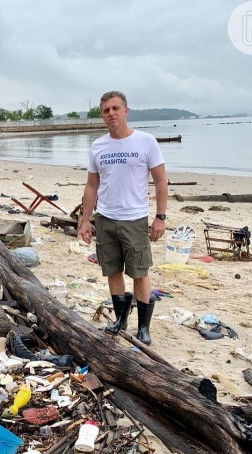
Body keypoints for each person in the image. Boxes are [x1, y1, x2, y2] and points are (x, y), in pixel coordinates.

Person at [78, 91, 168, 345]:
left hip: (135, 219)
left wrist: (160, 217)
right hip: (105, 218)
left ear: (126, 111)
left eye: (116, 108)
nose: (111, 114)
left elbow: (161, 181)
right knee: (112, 270)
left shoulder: (146, 141)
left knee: (139, 272)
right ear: (102, 115)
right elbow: (91, 186)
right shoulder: (98, 146)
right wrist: (85, 220)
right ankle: (120, 320)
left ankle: (143, 327)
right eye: (106, 110)